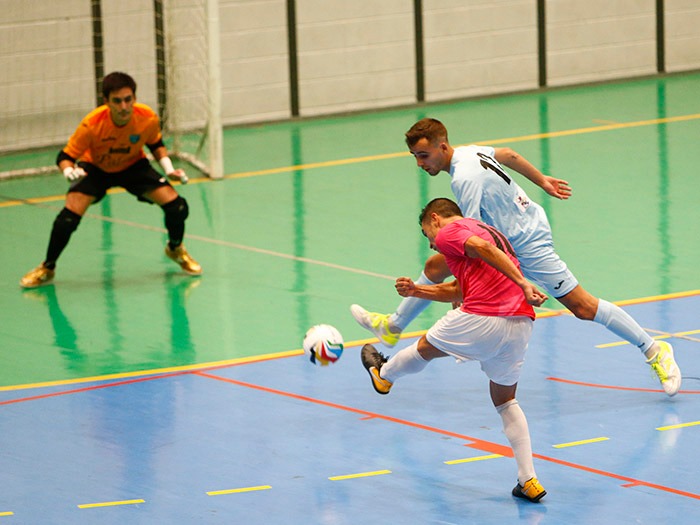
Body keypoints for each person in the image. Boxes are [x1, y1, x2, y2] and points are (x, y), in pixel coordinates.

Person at [352, 117, 681, 396]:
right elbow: (508, 154)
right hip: (512, 234)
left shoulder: (464, 180)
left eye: (423, 155)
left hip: (527, 244)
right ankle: (394, 325)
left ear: (442, 147)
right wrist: (542, 181)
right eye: (415, 156)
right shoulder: (467, 154)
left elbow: (470, 236)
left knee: (582, 306)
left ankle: (653, 349)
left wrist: (463, 297)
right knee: (432, 266)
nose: (420, 164)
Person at [361, 197, 548, 502]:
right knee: (505, 400)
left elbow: (485, 253)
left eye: (427, 235)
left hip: (485, 315)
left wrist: (524, 282)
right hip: (520, 322)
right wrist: (417, 290)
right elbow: (460, 289)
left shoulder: (451, 231)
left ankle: (384, 375)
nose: (433, 245)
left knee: (425, 347)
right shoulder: (485, 230)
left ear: (435, 218)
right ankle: (528, 479)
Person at [19, 71, 201, 288]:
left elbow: (155, 144)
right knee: (67, 218)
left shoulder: (147, 117)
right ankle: (47, 268)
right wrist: (69, 172)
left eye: (128, 100)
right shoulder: (92, 124)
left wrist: (168, 168)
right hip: (95, 169)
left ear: (134, 98)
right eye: (117, 101)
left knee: (177, 207)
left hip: (133, 167)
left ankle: (175, 249)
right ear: (106, 102)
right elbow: (65, 157)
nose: (124, 107)